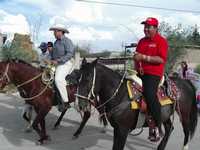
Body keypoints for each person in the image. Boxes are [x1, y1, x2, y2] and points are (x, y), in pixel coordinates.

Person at [133, 17, 168, 142]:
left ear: (155, 28)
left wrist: (143, 57)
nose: (146, 29)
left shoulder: (161, 41)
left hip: (153, 74)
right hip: (140, 72)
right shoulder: (141, 41)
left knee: (149, 94)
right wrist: (137, 64)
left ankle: (158, 125)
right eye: (145, 27)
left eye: (149, 27)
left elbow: (161, 59)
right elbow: (137, 56)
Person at [49, 24, 75, 111]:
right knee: (45, 76)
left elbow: (70, 53)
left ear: (60, 32)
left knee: (58, 79)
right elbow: (53, 55)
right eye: (54, 31)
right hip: (56, 64)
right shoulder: (56, 42)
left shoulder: (67, 41)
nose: (54, 33)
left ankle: (65, 102)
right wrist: (50, 60)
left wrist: (58, 61)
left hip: (66, 63)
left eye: (55, 31)